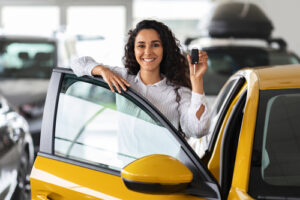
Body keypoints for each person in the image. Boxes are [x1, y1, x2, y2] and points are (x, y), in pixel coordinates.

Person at [71, 19, 210, 140]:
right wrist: (102, 70)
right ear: (133, 50)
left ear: (164, 49)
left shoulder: (178, 92)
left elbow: (198, 130)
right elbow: (77, 64)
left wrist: (197, 80)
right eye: (141, 46)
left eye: (155, 45)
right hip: (127, 167)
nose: (148, 52)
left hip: (165, 168)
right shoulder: (122, 78)